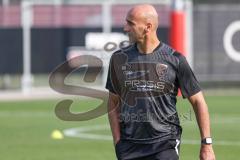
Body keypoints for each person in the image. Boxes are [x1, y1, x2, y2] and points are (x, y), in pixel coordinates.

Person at [106, 4, 215, 160]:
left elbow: (198, 101)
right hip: (129, 147)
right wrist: (118, 142)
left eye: (131, 23)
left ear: (147, 27)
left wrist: (207, 144)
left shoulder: (175, 60)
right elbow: (113, 102)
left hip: (164, 145)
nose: (126, 28)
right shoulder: (118, 59)